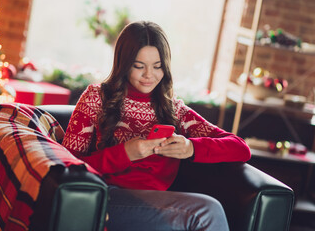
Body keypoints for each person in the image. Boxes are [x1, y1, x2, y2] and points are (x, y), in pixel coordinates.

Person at [62, 21, 251, 230]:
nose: (149, 75)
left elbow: (240, 147)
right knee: (207, 212)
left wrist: (191, 148)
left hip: (157, 206)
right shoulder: (95, 98)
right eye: (139, 66)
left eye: (157, 66)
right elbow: (66, 167)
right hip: (105, 197)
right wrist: (124, 153)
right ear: (123, 64)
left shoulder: (175, 110)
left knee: (206, 211)